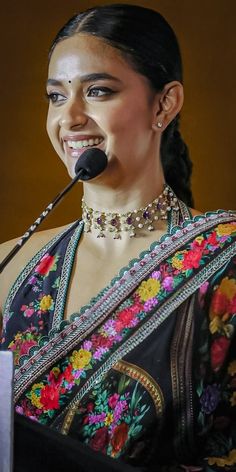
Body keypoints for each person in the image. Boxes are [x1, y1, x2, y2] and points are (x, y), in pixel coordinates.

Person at [0, 3, 235, 470]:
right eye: (55, 96)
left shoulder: (225, 259)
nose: (70, 118)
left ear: (164, 103)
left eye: (99, 91)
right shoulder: (10, 264)